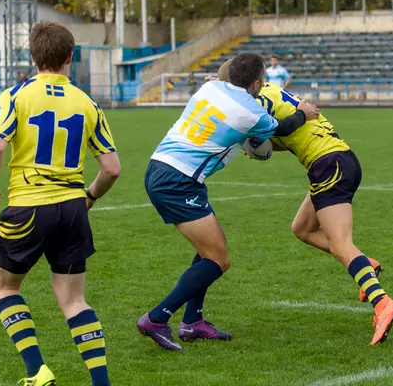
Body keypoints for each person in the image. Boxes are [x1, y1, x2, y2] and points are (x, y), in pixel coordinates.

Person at [136, 53, 320, 351]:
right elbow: (282, 129)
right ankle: (157, 318)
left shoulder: (208, 88)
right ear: (258, 83)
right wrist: (303, 111)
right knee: (218, 259)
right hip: (178, 181)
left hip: (163, 166)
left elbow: (221, 82)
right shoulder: (251, 113)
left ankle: (192, 322)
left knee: (209, 248)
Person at [216, 59, 393, 345]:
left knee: (341, 245)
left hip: (329, 164)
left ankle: (382, 303)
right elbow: (284, 135)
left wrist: (253, 146)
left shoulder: (256, 103)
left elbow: (270, 133)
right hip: (336, 160)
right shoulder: (269, 91)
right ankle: (363, 264)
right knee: (301, 228)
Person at [0, 21, 120, 385]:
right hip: (73, 208)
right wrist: (89, 196)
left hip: (29, 206)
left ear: (32, 56)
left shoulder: (16, 95)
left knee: (4, 286)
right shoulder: (87, 102)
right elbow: (111, 168)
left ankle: (37, 370)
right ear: (70, 57)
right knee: (74, 300)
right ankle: (101, 383)